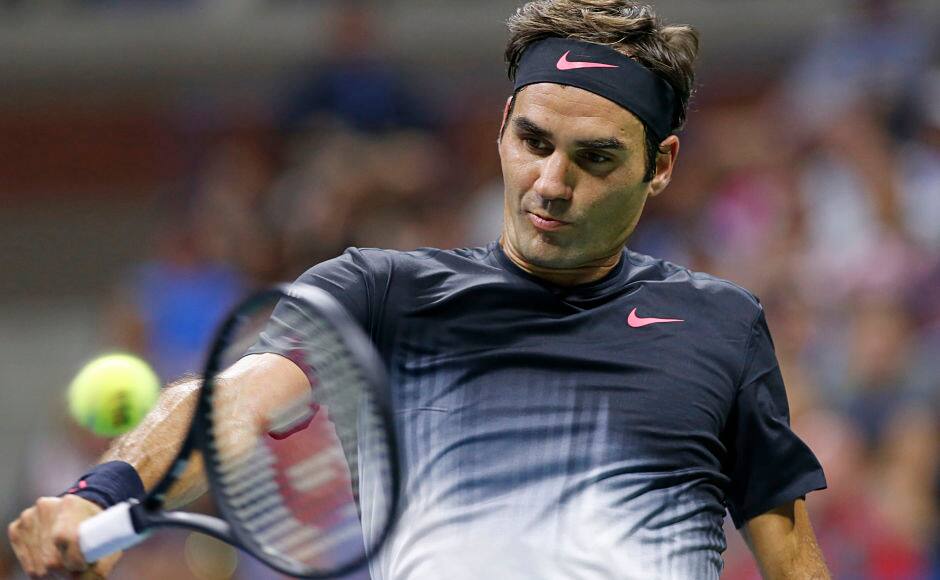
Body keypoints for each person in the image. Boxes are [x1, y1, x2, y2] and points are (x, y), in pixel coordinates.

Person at [7, 1, 830, 578]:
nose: (550, 183)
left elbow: (792, 558)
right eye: (532, 141)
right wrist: (97, 494)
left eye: (595, 158)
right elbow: (230, 405)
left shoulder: (721, 326)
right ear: (503, 125)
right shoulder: (382, 296)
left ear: (662, 166)